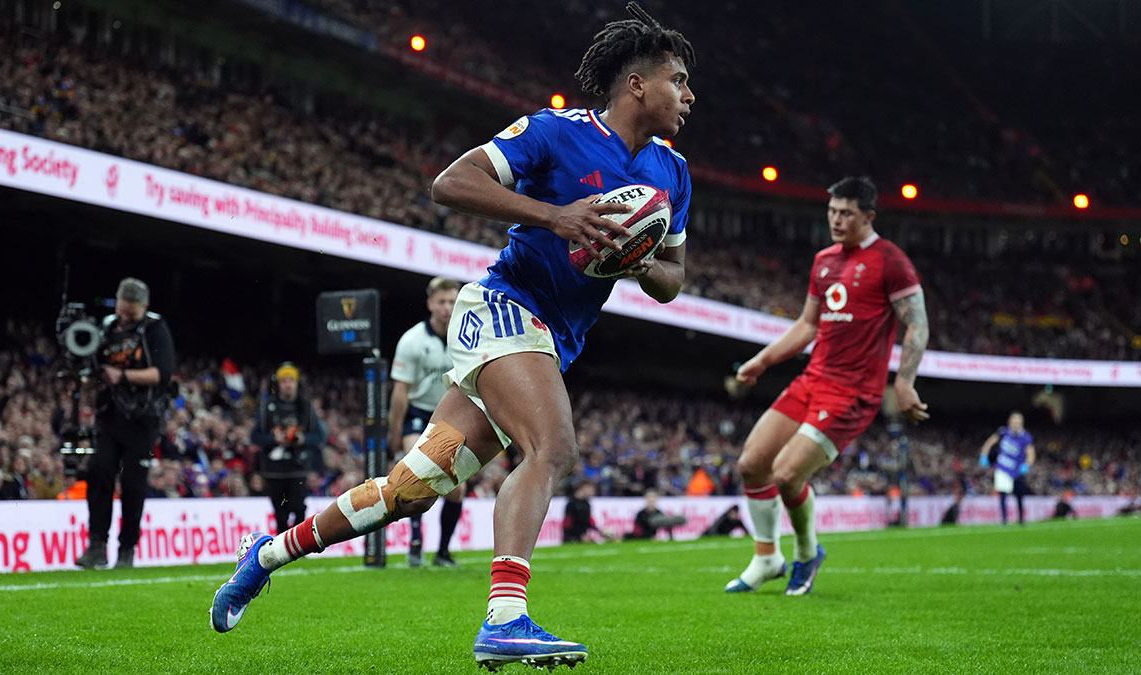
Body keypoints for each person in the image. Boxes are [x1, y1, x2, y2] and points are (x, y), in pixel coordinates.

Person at [210, 4, 695, 670]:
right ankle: (506, 617)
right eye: (678, 80)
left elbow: (673, 278)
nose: (689, 96)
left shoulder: (674, 175)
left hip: (552, 338)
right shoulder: (554, 133)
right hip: (503, 307)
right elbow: (451, 181)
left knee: (410, 489)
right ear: (638, 84)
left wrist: (635, 257)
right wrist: (555, 216)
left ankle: (267, 554)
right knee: (552, 447)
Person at [724, 176, 930, 596]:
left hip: (854, 393)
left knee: (786, 474)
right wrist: (761, 361)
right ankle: (767, 558)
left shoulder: (891, 261)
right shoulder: (824, 261)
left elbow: (917, 323)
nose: (836, 220)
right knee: (751, 464)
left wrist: (904, 381)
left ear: (868, 216)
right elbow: (807, 325)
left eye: (846, 213)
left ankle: (806, 553)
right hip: (813, 380)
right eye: (832, 211)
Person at [75, 278, 175, 570]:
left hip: (142, 419)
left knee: (133, 484)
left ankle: (126, 549)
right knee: (99, 472)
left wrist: (123, 376)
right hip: (109, 415)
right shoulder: (106, 326)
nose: (125, 317)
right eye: (123, 310)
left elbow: (163, 374)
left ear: (144, 307)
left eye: (131, 313)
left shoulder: (155, 328)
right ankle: (96, 545)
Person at [388, 276, 463, 566]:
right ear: (430, 303)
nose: (447, 308)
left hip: (452, 416)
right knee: (420, 474)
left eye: (453, 302)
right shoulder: (412, 341)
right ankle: (416, 540)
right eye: (442, 301)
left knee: (458, 490)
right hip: (419, 414)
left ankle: (443, 551)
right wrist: (395, 431)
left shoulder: (466, 337)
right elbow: (400, 391)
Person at [251, 363, 326, 533]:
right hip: (274, 470)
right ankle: (282, 550)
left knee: (299, 507)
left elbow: (320, 436)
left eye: (291, 380)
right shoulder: (267, 408)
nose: (288, 384)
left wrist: (303, 439)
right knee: (280, 513)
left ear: (297, 383)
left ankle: (298, 545)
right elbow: (255, 437)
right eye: (284, 381)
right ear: (278, 384)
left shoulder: (306, 407)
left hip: (298, 469)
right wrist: (273, 439)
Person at [979, 411, 1035, 525]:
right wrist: (984, 455)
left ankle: (1021, 519)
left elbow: (1031, 453)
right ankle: (1004, 520)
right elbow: (989, 443)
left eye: (1018, 422)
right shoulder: (1003, 432)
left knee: (1019, 495)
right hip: (1003, 468)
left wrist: (1027, 465)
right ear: (1010, 422)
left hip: (1018, 469)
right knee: (1003, 494)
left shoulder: (1026, 437)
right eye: (1014, 422)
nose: (1016, 424)